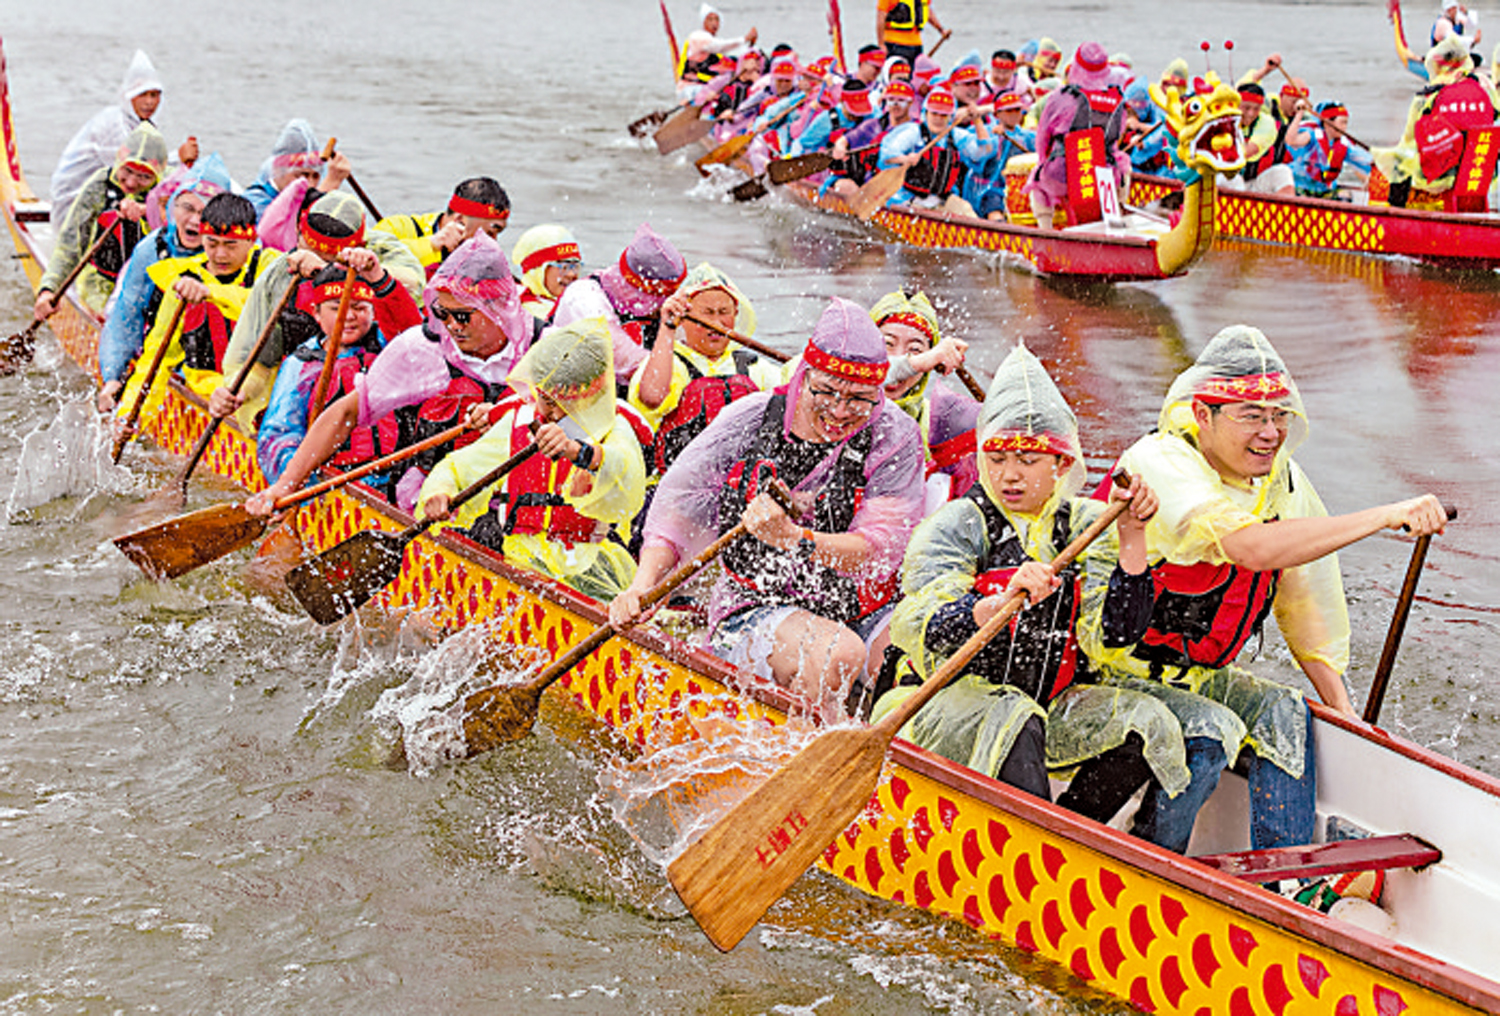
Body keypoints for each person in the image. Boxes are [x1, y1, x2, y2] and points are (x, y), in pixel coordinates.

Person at [1092, 325, 1448, 852]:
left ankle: (1284, 872)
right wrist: (1386, 515)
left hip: (1196, 674)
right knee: (1206, 743)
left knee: (1287, 711)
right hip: (1111, 674)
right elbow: (1251, 549)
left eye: (1279, 416)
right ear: (1202, 416)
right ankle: (1151, 862)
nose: (1270, 433)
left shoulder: (1280, 479)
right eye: (1252, 417)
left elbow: (1305, 601)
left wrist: (1345, 715)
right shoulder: (1158, 463)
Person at [872, 344, 1165, 805]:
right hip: (938, 703)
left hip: (1047, 702)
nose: (1010, 475)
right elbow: (916, 624)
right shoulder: (957, 524)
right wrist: (990, 606)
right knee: (1016, 715)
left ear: (1062, 465)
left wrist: (1133, 540)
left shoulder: (1088, 525)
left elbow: (1113, 639)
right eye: (997, 458)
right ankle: (1043, 837)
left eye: (1028, 461)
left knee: (1147, 722)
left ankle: (1078, 834)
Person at [610, 297, 925, 717]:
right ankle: (807, 765)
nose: (839, 411)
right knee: (838, 652)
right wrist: (641, 587)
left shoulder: (895, 436)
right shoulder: (751, 420)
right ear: (804, 376)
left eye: (859, 399)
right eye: (826, 391)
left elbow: (879, 551)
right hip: (755, 603)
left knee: (916, 666)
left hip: (863, 604)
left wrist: (796, 539)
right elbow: (678, 512)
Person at [243, 234, 540, 517]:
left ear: (499, 308)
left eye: (462, 315)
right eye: (442, 312)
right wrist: (284, 487)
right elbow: (347, 412)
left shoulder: (546, 346)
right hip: (430, 500)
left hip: (516, 500)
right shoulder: (421, 348)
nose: (451, 325)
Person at [417, 318, 647, 602]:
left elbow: (627, 475)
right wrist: (440, 492)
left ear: (590, 393)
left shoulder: (615, 427)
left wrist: (580, 453)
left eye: (564, 403)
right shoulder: (521, 421)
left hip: (590, 562)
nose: (551, 413)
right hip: (518, 556)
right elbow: (461, 465)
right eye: (546, 400)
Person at [209, 190, 424, 434]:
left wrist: (345, 273)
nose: (315, 265)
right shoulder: (279, 278)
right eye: (310, 252)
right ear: (299, 236)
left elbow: (415, 284)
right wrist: (236, 394)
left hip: (375, 401)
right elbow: (257, 364)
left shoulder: (379, 252)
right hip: (304, 398)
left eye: (329, 259)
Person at [256, 261, 423, 493]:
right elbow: (278, 434)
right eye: (337, 308)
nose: (349, 316)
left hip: (398, 475)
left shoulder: (389, 345)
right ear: (316, 313)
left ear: (373, 311)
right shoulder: (302, 364)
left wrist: (378, 276)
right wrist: (298, 480)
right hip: (332, 481)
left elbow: (416, 334)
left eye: (360, 308)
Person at [111, 193, 273, 426]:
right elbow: (157, 359)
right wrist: (130, 416)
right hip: (210, 389)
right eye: (212, 243)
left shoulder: (269, 266)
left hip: (264, 384)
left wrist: (211, 293)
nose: (220, 254)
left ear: (252, 240)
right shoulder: (183, 283)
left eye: (230, 245)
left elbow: (267, 305)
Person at [95, 154, 229, 412]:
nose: (194, 221)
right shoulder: (151, 249)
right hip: (164, 359)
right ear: (172, 207)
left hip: (214, 370)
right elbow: (126, 317)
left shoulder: (235, 254)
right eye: (187, 208)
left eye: (204, 212)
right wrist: (112, 377)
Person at [630, 262, 782, 472]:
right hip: (677, 482)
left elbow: (794, 403)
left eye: (723, 312)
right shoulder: (669, 361)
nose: (717, 323)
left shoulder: (753, 366)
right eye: (707, 313)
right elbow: (652, 398)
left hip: (737, 482)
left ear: (736, 313)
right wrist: (667, 328)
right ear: (685, 317)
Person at [35, 122, 167, 320]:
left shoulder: (168, 192)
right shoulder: (99, 186)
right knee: (112, 318)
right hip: (100, 285)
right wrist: (48, 289)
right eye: (127, 171)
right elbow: (70, 245)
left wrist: (147, 211)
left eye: (144, 177)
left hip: (151, 285)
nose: (131, 183)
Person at [868, 290, 977, 512]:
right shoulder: (828, 391)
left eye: (915, 349)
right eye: (887, 344)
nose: (898, 356)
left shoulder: (937, 424)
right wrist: (916, 362)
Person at [50, 50, 178, 228]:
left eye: (154, 95)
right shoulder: (114, 126)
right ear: (129, 96)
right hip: (73, 204)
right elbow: (141, 170)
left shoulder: (141, 126)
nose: (149, 102)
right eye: (143, 95)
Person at [551, 223, 687, 388]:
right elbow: (630, 365)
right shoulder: (585, 298)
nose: (662, 305)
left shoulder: (657, 301)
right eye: (659, 299)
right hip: (571, 395)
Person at [1375, 34, 1499, 206]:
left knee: (1398, 162)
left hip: (1440, 180)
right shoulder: (1485, 91)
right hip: (1479, 175)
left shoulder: (1427, 97)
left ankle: (1396, 214)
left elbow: (1407, 145)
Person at [1028, 42, 1129, 228]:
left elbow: (1042, 138)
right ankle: (1119, 215)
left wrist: (1043, 161)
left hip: (1061, 173)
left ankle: (1046, 231)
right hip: (1103, 173)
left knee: (1037, 181)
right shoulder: (1117, 98)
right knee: (1122, 165)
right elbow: (1117, 137)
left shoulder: (1060, 96)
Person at [876, 87, 996, 214]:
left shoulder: (955, 135)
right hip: (909, 197)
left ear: (950, 117)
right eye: (934, 113)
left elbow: (983, 152)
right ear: (926, 113)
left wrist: (977, 120)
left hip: (942, 199)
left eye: (943, 115)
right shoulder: (913, 132)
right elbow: (887, 155)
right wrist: (905, 159)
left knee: (965, 209)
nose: (938, 119)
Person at [374, 178, 511, 278]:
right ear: (459, 221)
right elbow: (367, 260)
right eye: (490, 233)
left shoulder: (484, 260)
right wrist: (431, 245)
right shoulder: (398, 227)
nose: (493, 242)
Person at [823, 80, 918, 199]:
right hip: (867, 183)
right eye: (891, 100)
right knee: (844, 186)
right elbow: (844, 140)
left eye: (901, 101)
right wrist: (841, 148)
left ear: (910, 103)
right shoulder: (873, 126)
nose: (895, 105)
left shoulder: (917, 130)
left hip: (900, 188)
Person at [242, 119, 350, 219]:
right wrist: (328, 186)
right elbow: (284, 232)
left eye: (315, 176)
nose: (310, 185)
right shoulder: (254, 202)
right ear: (278, 170)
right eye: (302, 176)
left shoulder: (302, 202)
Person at [968, 92, 1035, 220]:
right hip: (990, 188)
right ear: (997, 114)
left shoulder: (1028, 136)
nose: (1014, 114)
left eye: (1017, 109)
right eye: (1009, 110)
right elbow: (977, 154)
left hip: (1018, 188)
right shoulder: (986, 131)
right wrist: (995, 137)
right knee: (995, 214)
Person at [1222, 83, 1297, 195]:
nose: (1251, 114)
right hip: (1225, 180)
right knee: (1233, 179)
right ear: (1236, 105)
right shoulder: (1223, 119)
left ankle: (1287, 210)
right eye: (1246, 108)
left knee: (1282, 171)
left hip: (1253, 183)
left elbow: (1249, 151)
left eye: (1256, 109)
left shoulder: (1267, 123)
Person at [1288, 100, 1372, 199]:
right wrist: (1299, 113)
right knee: (1302, 198)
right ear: (1327, 122)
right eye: (1342, 123)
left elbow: (1366, 162)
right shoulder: (1311, 135)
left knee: (1345, 196)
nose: (1345, 127)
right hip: (1301, 187)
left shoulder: (1344, 144)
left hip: (1325, 190)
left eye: (1346, 123)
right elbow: (1291, 140)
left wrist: (1373, 179)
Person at [679, 3, 759, 97]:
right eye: (710, 19)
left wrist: (751, 49)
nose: (714, 23)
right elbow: (720, 46)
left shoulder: (714, 44)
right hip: (691, 88)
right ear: (703, 22)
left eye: (717, 20)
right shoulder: (697, 37)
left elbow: (731, 51)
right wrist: (745, 39)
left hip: (706, 86)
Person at [512, 225, 584, 322]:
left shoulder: (579, 302)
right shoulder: (526, 313)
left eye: (575, 266)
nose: (571, 274)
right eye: (563, 267)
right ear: (537, 271)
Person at [877, 0, 946, 67]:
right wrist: (881, 44)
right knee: (898, 76)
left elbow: (926, 11)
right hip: (895, 44)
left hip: (915, 45)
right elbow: (881, 18)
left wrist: (941, 29)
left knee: (913, 76)